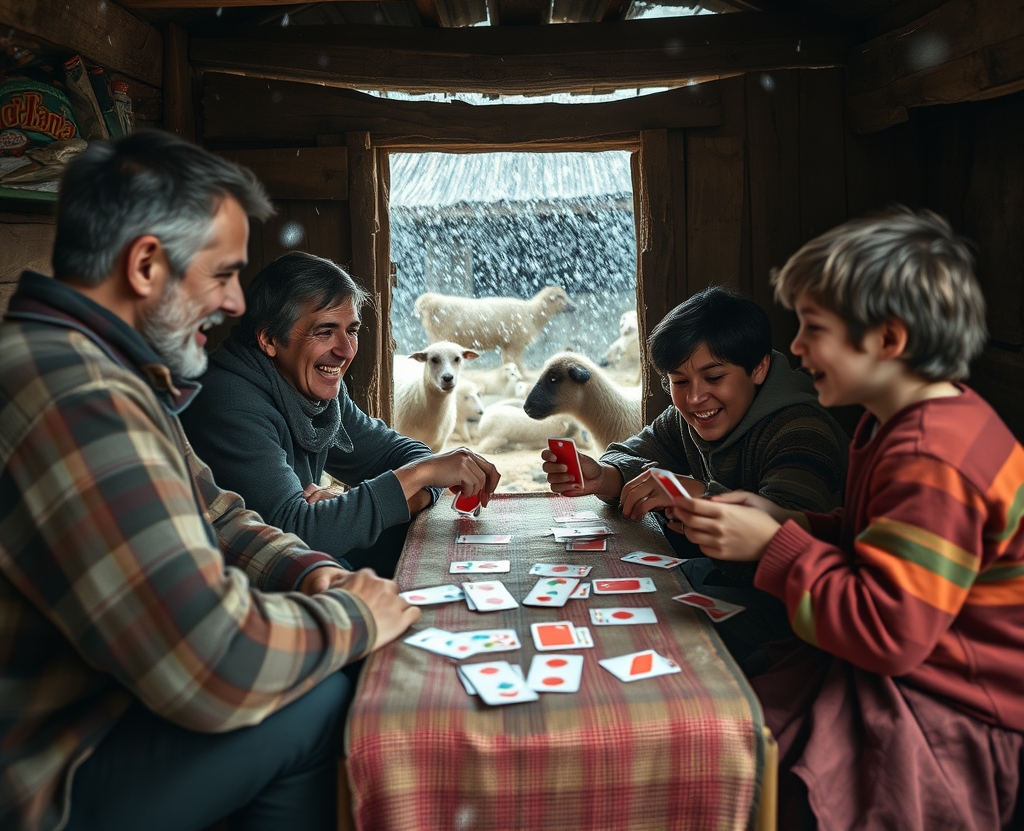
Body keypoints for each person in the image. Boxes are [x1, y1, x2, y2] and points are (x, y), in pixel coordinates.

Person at [0, 131, 421, 831]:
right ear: (145, 265)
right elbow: (213, 665)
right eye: (222, 275)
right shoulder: (74, 395)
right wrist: (356, 617)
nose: (233, 303)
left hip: (112, 704)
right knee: (320, 701)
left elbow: (218, 513)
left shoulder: (107, 372)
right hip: (47, 773)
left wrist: (315, 572)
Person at [668, 209, 1024, 830]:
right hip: (910, 674)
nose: (796, 350)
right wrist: (788, 518)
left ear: (888, 340)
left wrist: (777, 544)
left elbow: (888, 630)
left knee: (728, 748)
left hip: (947, 712)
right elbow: (879, 543)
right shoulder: (905, 426)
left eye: (813, 329)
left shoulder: (931, 456)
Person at [542, 286, 848, 662]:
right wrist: (604, 476)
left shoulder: (802, 431)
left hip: (802, 619)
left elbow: (789, 550)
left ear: (759, 368)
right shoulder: (688, 418)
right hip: (727, 581)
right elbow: (629, 454)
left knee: (651, 638)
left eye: (714, 377)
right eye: (679, 381)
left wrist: (700, 497)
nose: (694, 398)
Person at [180, 252, 500, 578]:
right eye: (325, 331)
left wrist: (342, 505)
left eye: (352, 330)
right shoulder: (229, 404)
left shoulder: (313, 388)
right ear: (270, 339)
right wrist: (417, 477)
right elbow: (296, 537)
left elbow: (407, 455)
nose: (346, 350)